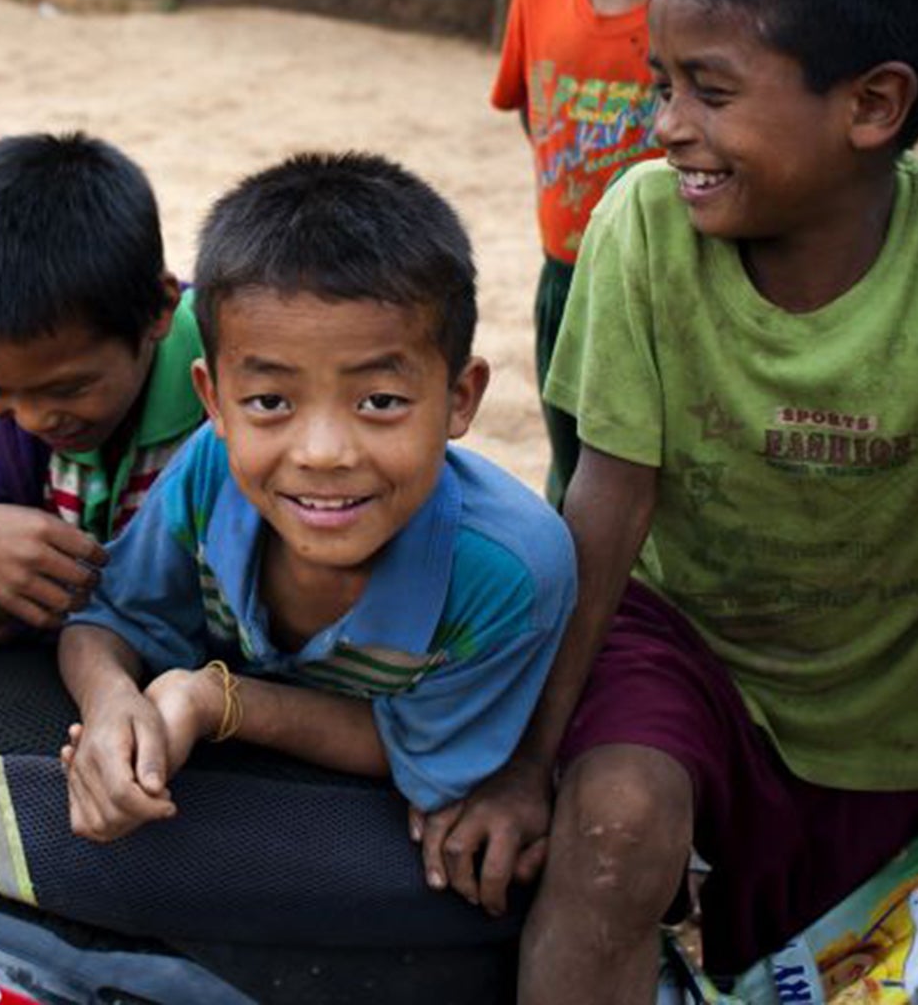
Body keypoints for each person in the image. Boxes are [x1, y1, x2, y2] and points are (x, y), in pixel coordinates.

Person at [445, 0, 918, 1001]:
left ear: (870, 107)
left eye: (707, 92)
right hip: (670, 641)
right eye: (660, 83)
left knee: (812, 970)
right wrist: (529, 763)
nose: (665, 125)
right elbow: (605, 505)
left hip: (874, 719)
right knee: (613, 835)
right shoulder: (642, 229)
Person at [57, 152, 575, 890]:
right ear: (214, 399)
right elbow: (106, 619)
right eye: (270, 401)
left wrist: (212, 700)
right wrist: (109, 704)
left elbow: (416, 754)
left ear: (461, 398)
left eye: (381, 402)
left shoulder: (509, 570)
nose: (324, 454)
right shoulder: (210, 470)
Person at [490, 0, 765, 502]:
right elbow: (535, 117)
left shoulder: (731, 7)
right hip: (568, 276)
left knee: (679, 473)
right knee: (575, 460)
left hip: (687, 281)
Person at [0, 132, 202, 653]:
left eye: (70, 388)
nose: (32, 419)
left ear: (158, 310)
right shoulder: (7, 401)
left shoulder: (238, 386)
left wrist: (64, 611)